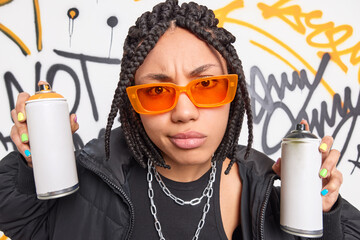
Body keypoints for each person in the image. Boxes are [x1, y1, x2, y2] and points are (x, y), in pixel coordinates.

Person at [0, 0, 359, 239]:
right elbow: (17, 218)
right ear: (132, 104)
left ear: (234, 93)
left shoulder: (270, 187)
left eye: (206, 85)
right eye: (157, 92)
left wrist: (322, 213)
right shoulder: (90, 181)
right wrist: (32, 162)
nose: (184, 112)